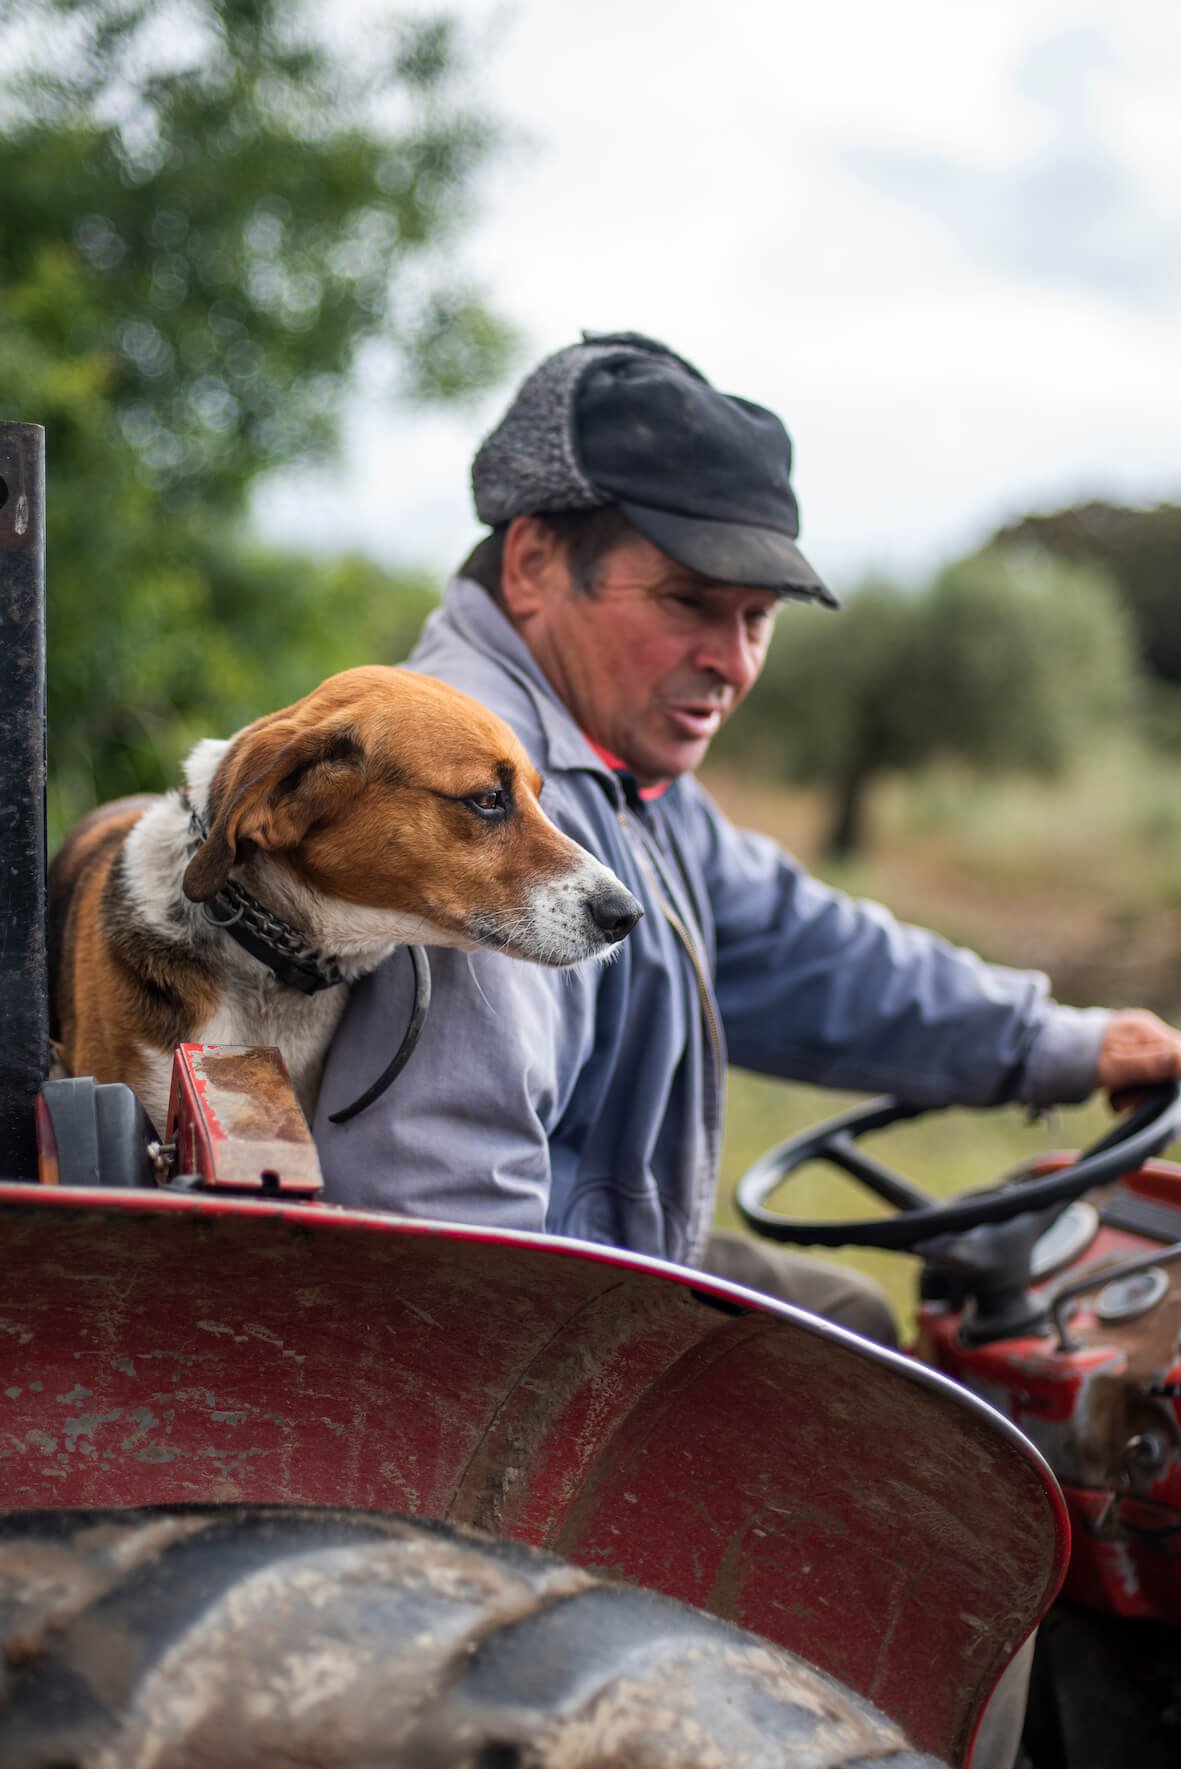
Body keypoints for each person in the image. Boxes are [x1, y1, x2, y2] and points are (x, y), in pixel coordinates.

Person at [314, 329, 1181, 1344]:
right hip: (508, 1327)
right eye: (687, 601)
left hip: (606, 1262)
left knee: (852, 1316)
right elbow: (445, 1231)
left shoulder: (624, 786)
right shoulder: (470, 813)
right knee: (877, 1399)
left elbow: (815, 954)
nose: (727, 661)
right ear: (536, 563)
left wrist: (1058, 1041)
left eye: (756, 617)